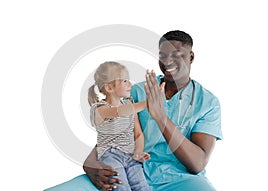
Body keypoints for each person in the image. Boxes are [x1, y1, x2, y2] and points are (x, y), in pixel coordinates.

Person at [44, 30, 222, 191]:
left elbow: (197, 164)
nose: (167, 61)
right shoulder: (136, 92)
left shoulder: (207, 103)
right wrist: (90, 165)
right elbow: (113, 134)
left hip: (179, 180)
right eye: (163, 55)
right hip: (127, 171)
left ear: (191, 57)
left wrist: (160, 117)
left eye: (176, 55)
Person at [87, 61, 150, 191]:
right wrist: (148, 103)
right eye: (125, 81)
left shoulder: (129, 104)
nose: (130, 84)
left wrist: (138, 152)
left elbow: (138, 133)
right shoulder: (100, 109)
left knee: (143, 187)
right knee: (122, 187)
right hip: (110, 156)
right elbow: (118, 112)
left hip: (131, 156)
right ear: (109, 88)